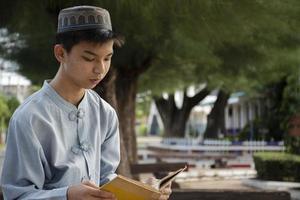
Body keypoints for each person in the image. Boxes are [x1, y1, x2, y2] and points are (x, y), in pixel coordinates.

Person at [0, 5, 172, 200]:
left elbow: (106, 181)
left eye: (107, 58)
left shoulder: (104, 113)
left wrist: (142, 191)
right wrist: (66, 196)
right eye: (89, 58)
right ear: (61, 53)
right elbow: (17, 195)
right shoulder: (29, 118)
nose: (100, 69)